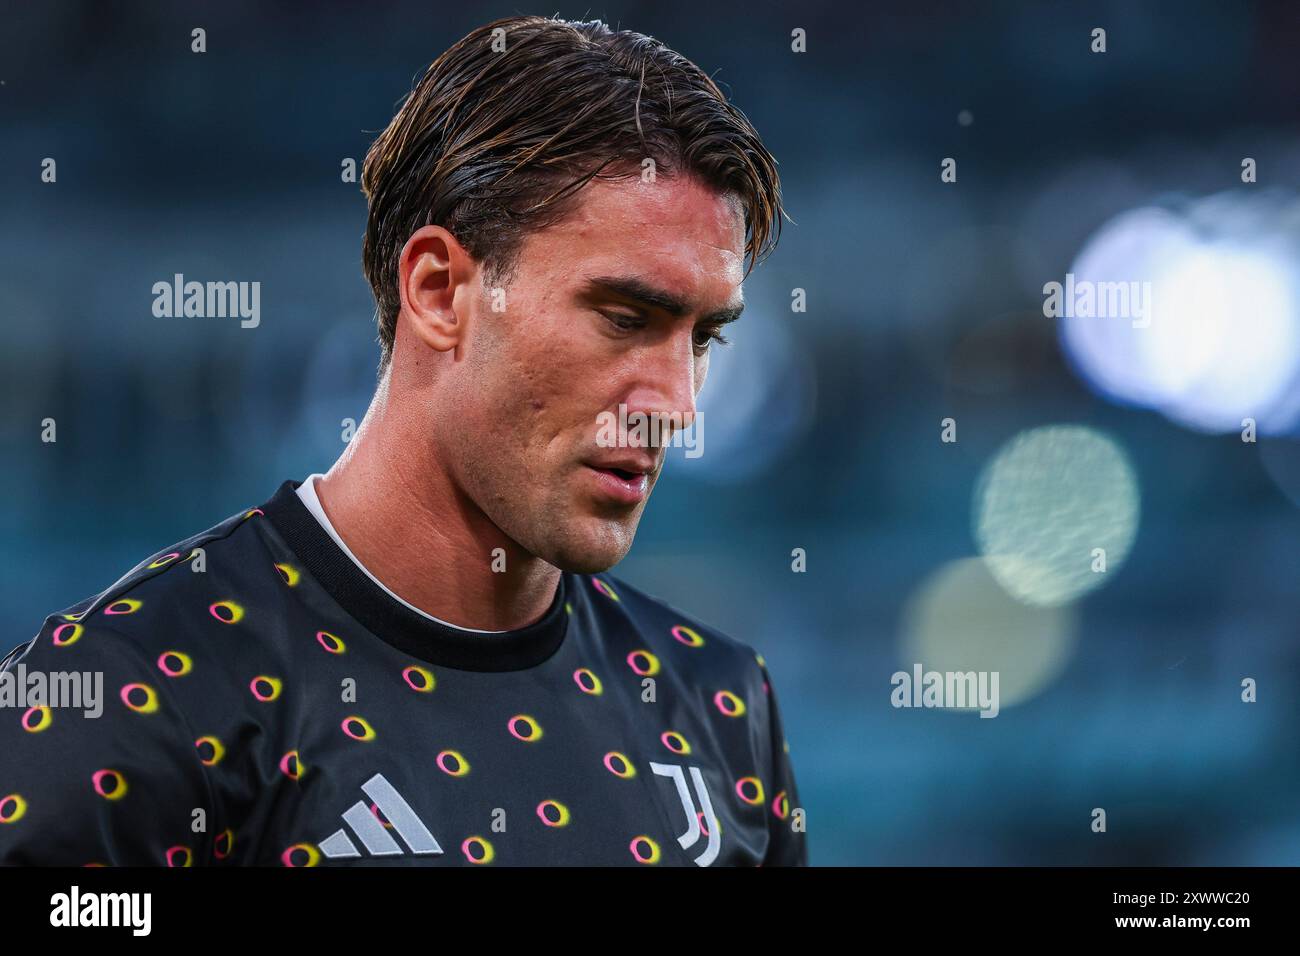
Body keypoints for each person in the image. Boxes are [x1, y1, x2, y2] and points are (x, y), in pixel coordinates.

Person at [0, 15, 805, 866]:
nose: (676, 404)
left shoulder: (723, 711)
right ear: (437, 291)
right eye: (622, 318)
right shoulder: (124, 697)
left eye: (704, 337)